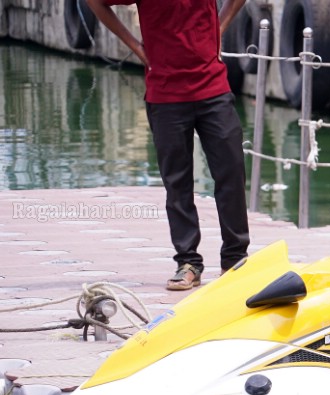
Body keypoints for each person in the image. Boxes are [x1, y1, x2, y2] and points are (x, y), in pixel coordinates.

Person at [86, 0, 250, 290]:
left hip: (213, 87)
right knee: (177, 183)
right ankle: (188, 263)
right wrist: (136, 47)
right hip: (165, 93)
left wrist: (219, 29)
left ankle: (234, 259)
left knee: (232, 171)